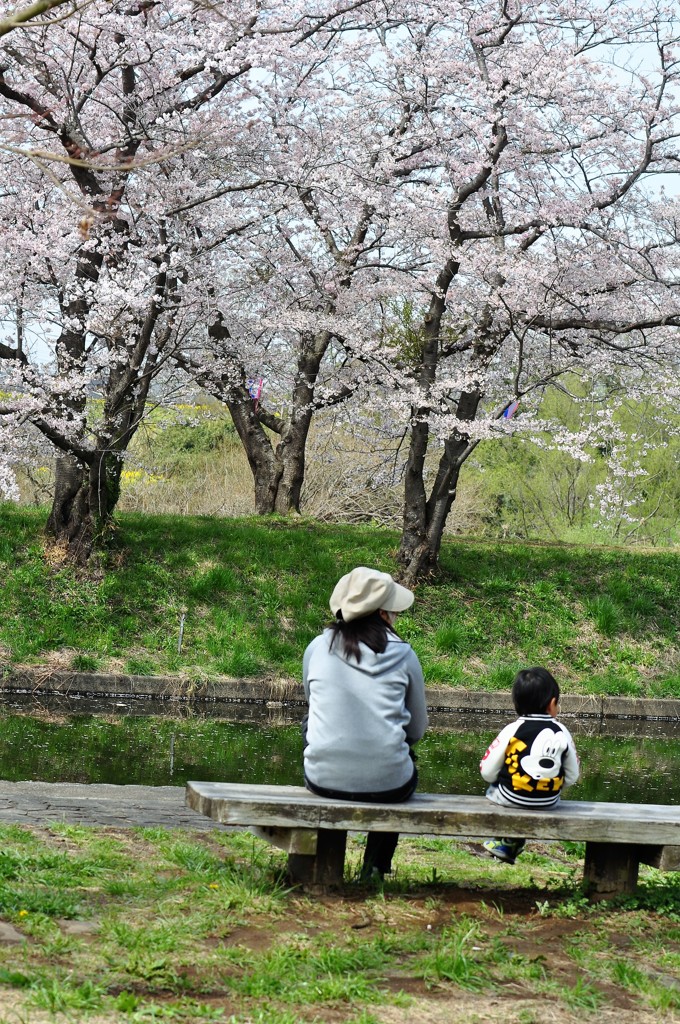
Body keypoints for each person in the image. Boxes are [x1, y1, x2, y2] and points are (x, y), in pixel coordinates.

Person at [302, 566, 428, 882]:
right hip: (390, 786)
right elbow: (417, 731)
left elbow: (313, 708)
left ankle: (325, 860)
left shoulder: (318, 647)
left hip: (322, 779)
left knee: (311, 726)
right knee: (403, 750)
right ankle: (374, 867)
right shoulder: (404, 655)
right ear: (383, 614)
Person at [480, 666, 580, 864]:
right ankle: (510, 841)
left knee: (494, 787)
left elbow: (487, 770)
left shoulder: (513, 729)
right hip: (549, 802)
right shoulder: (562, 731)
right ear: (553, 704)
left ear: (516, 703)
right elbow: (572, 776)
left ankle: (507, 840)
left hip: (510, 797)